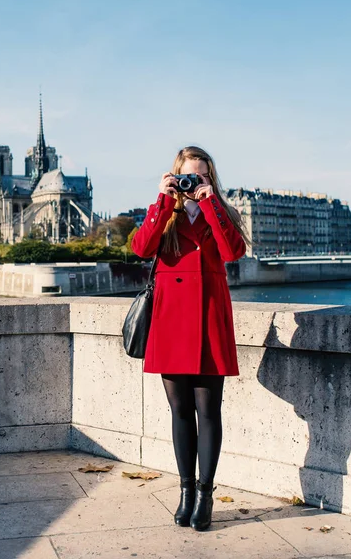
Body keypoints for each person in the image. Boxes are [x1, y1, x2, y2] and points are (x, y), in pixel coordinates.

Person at [131, 146, 251, 531]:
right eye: (186, 176)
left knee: (208, 410)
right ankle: (184, 491)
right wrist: (163, 200)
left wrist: (211, 202)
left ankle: (204, 495)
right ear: (174, 176)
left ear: (209, 178)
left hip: (209, 316)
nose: (192, 183)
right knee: (179, 410)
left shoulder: (221, 211)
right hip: (170, 319)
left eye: (200, 176)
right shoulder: (166, 212)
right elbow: (141, 247)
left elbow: (233, 252)